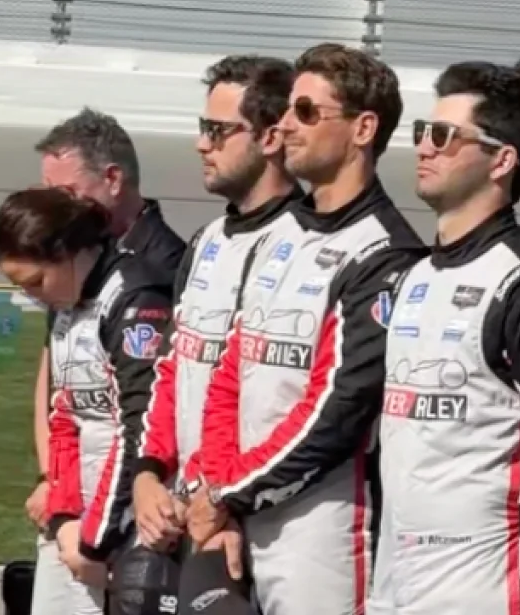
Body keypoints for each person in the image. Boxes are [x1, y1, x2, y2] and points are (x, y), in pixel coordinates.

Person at [182, 43, 426, 615]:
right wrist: (216, 488)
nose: (286, 125)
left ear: (363, 128)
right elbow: (227, 375)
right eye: (288, 110)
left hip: (325, 536)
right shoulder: (280, 233)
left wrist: (227, 493)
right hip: (238, 516)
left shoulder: (386, 253)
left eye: (307, 113)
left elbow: (335, 414)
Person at [369, 59, 520, 615]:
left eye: (445, 136)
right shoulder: (414, 275)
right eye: (423, 133)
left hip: (484, 590)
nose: (424, 147)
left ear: (502, 159)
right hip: (395, 583)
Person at [132, 55, 300, 553]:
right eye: (202, 127)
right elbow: (170, 371)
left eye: (218, 130)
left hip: (258, 521)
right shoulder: (206, 241)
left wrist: (223, 496)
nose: (201, 143)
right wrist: (147, 475)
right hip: (186, 514)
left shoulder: (307, 245)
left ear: (270, 138)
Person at [24, 109, 186, 614]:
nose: (54, 211)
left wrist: (94, 532)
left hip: (128, 521)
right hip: (75, 507)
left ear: (112, 179)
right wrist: (55, 487)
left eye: (66, 194)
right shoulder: (73, 254)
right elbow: (55, 380)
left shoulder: (160, 269)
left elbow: (151, 411)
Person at [0, 187, 174, 615]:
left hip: (130, 526)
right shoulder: (65, 304)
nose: (32, 296)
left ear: (67, 250)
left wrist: (96, 540)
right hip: (76, 525)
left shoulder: (136, 298)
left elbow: (139, 429)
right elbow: (63, 420)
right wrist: (63, 517)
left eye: (36, 282)